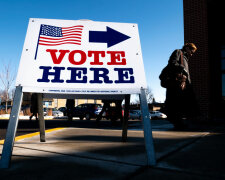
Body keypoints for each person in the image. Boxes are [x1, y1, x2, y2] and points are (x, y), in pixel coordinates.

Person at [165, 43, 199, 129]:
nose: (191, 54)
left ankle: (181, 123)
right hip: (177, 83)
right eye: (191, 51)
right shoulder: (178, 52)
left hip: (185, 84)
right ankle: (178, 123)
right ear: (187, 48)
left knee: (184, 104)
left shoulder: (185, 58)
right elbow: (172, 63)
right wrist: (182, 69)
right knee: (176, 104)